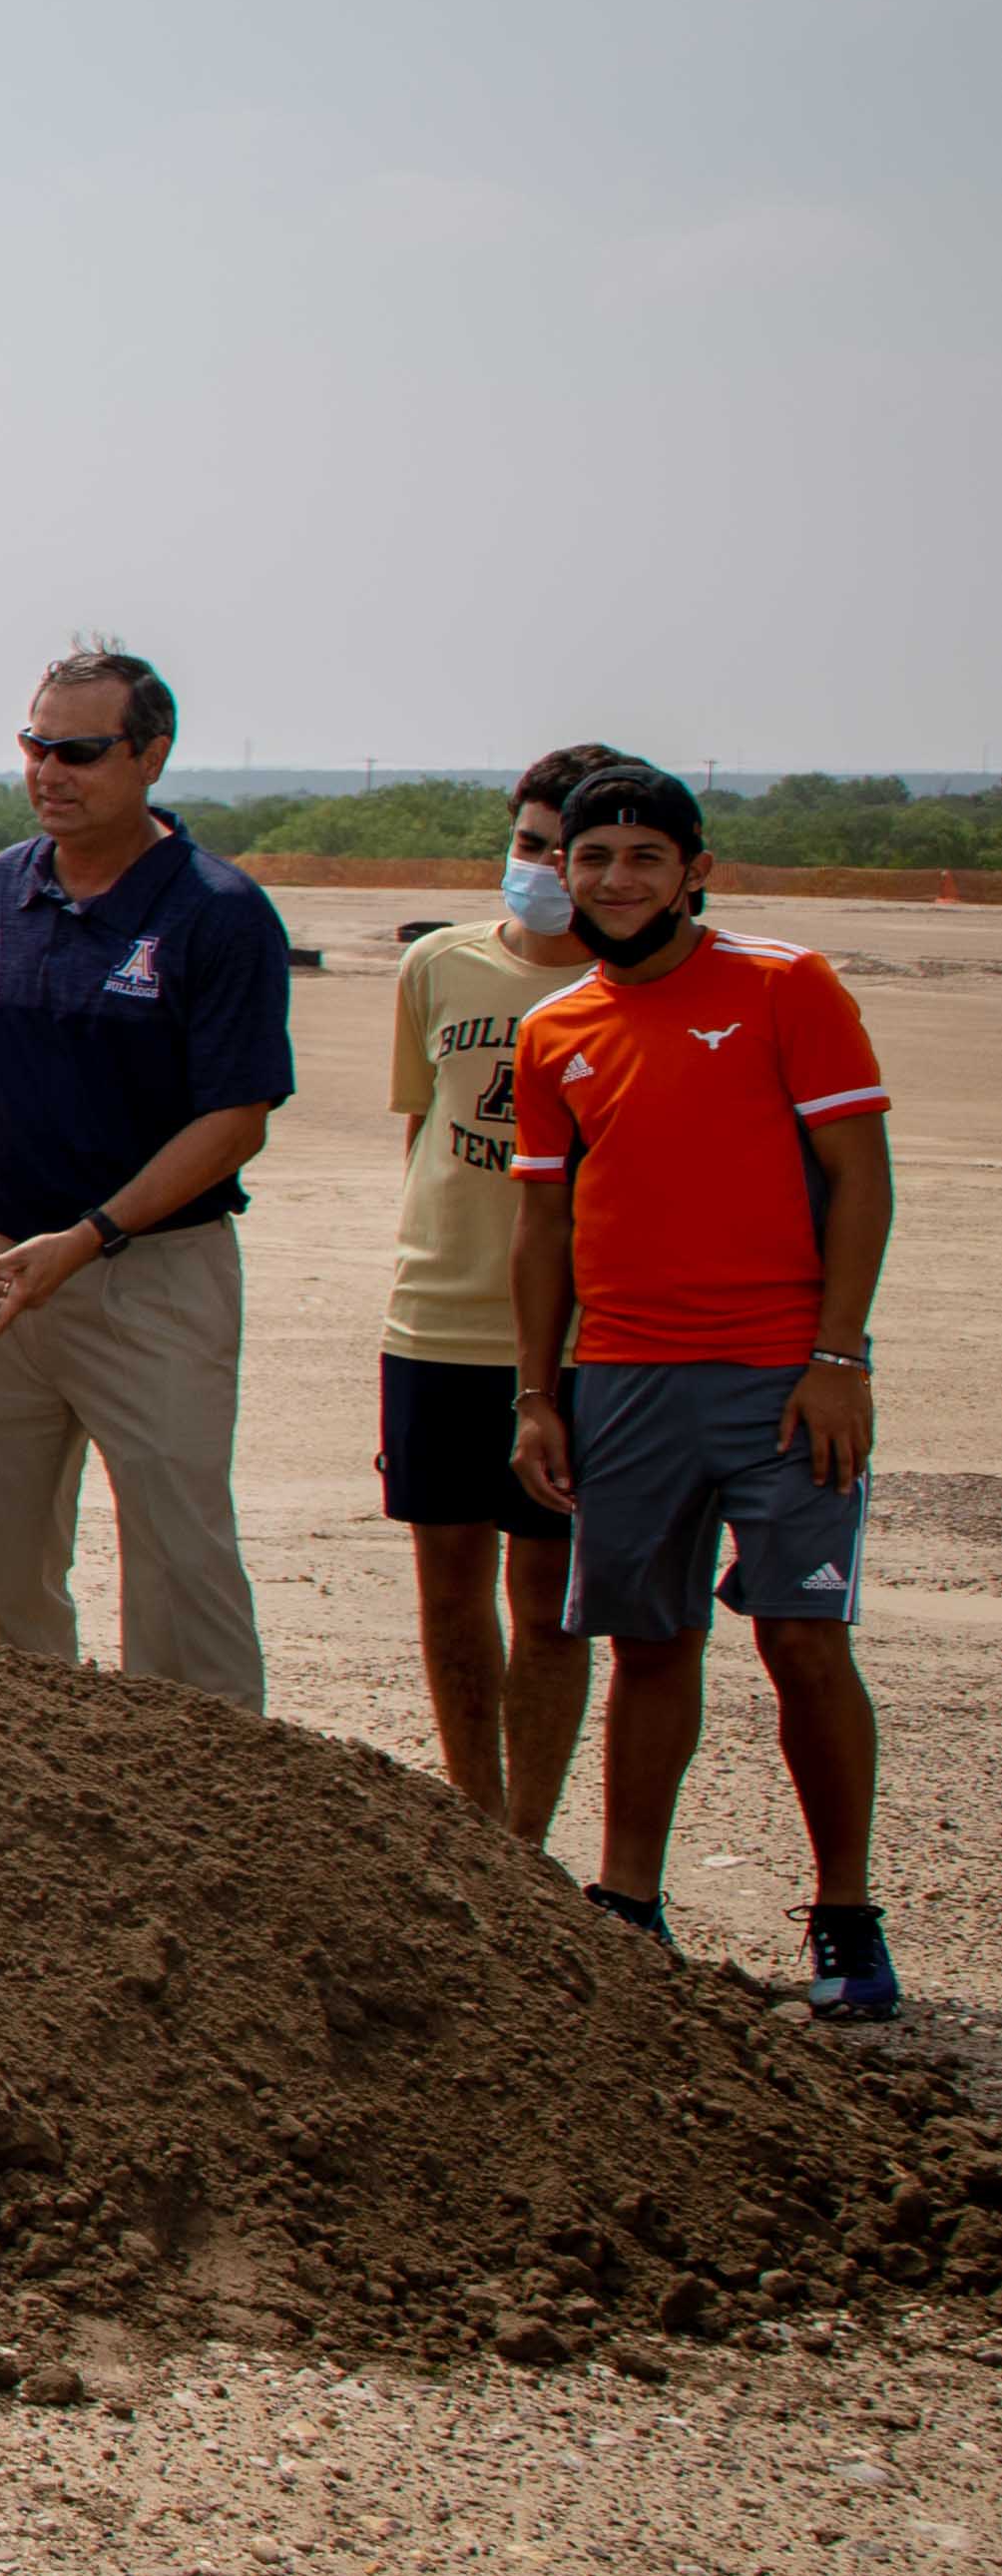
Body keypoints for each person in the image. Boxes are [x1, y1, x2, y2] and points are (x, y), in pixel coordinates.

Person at [508, 761, 899, 2014]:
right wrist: (535, 1393)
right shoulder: (551, 1028)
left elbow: (860, 1177)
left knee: (799, 1637)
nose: (615, 880)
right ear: (561, 871)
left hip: (783, 1376)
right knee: (649, 1639)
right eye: (591, 857)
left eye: (641, 857)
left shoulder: (786, 986)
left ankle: (843, 1918)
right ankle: (628, 1902)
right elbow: (540, 1230)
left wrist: (837, 1357)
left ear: (694, 869)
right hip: (621, 1373)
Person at [0, 642, 297, 1705]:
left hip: (143, 1273)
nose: (47, 771)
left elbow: (234, 1120)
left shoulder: (216, 912)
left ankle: (210, 1804)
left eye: (78, 750)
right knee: (2, 1561)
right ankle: (32, 1788)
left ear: (151, 755)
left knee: (178, 1559)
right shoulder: (4, 883)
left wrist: (86, 1240)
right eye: (34, 744)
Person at [383, 743, 625, 1834]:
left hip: (575, 1340)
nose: (536, 867)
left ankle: (527, 1832)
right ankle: (472, 1818)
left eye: (558, 851)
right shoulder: (437, 964)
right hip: (435, 1320)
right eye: (524, 842)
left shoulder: (623, 988)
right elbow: (420, 1129)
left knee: (546, 1594)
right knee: (445, 1579)